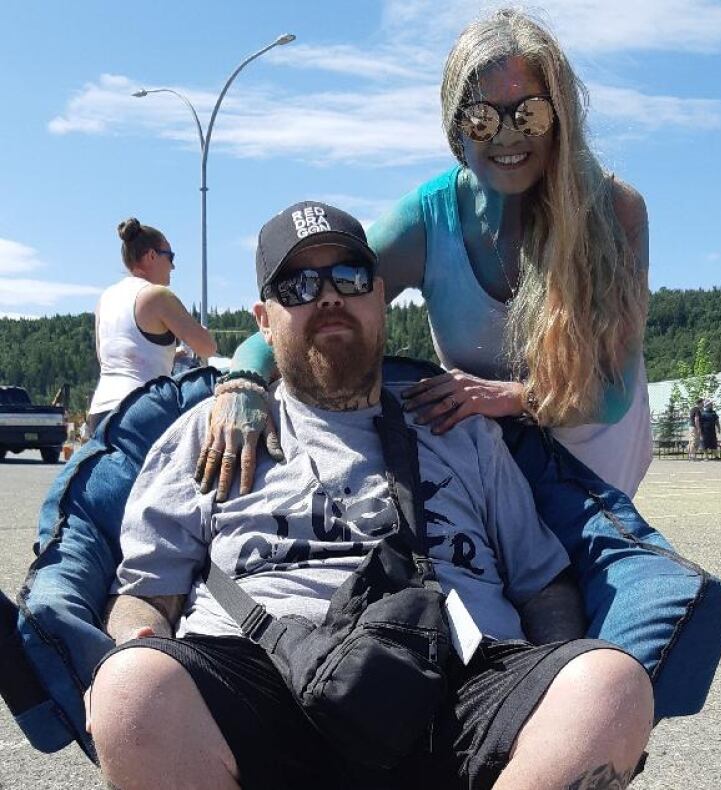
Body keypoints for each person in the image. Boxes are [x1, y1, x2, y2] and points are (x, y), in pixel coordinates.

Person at [85, 203, 653, 790]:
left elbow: (541, 584)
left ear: (380, 295)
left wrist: (551, 684)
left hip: (459, 690)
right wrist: (133, 648)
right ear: (263, 318)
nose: (328, 296)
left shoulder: (462, 430)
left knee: (610, 686)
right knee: (131, 689)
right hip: (263, 685)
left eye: (349, 277)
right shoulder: (212, 433)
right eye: (298, 285)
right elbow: (148, 597)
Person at [199, 8, 651, 502]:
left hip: (591, 449)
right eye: (480, 118)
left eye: (530, 113)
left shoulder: (612, 212)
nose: (505, 135)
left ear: (560, 115)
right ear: (454, 127)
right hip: (488, 449)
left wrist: (512, 397)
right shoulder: (428, 220)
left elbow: (610, 395)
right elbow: (314, 303)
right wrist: (241, 383)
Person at [86, 217, 217, 437]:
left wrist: (172, 355)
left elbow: (112, 358)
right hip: (141, 410)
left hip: (100, 413)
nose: (173, 266)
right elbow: (207, 347)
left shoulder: (105, 298)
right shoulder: (156, 295)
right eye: (170, 256)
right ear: (151, 256)